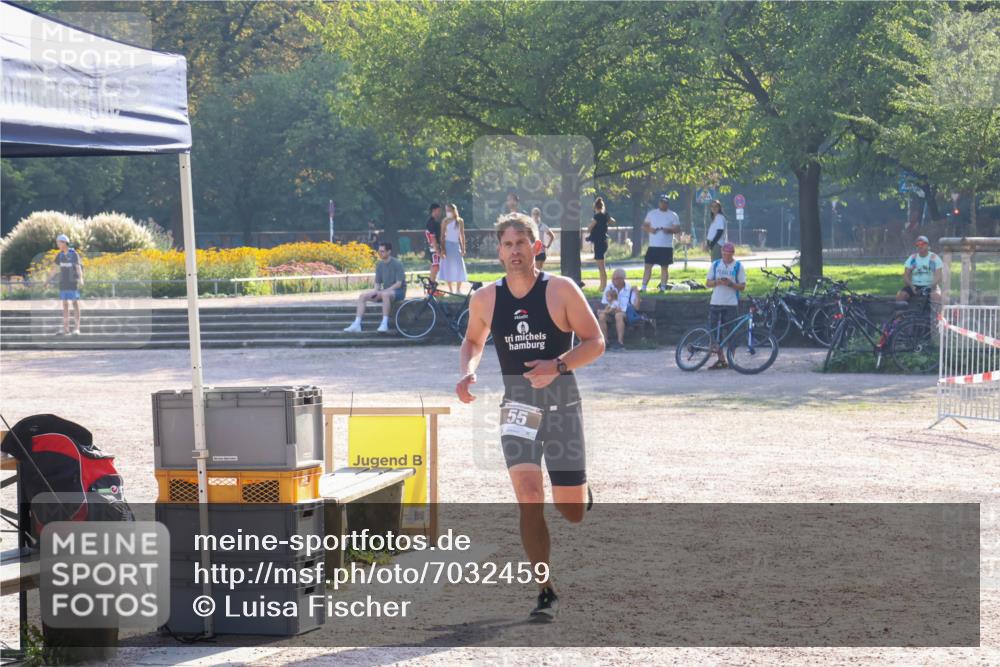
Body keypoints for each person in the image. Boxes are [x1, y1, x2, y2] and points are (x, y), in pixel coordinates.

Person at [456, 213, 605, 621]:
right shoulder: (486, 298)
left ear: (537, 246)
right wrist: (468, 371)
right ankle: (545, 589)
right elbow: (472, 340)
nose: (515, 251)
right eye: (507, 244)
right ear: (499, 250)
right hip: (517, 406)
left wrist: (556, 366)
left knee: (570, 511)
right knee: (527, 494)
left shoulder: (561, 290)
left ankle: (580, 490)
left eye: (522, 242)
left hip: (562, 405)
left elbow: (596, 342)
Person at [343, 242, 406, 333]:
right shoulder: (379, 264)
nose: (380, 253)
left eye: (383, 251)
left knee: (384, 294)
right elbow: (377, 283)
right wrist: (375, 291)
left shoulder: (397, 263)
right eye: (379, 251)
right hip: (384, 292)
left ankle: (384, 324)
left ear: (389, 252)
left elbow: (398, 284)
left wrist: (383, 291)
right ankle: (357, 324)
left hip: (398, 292)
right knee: (362, 296)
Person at [705, 242, 746, 370]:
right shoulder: (716, 264)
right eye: (724, 254)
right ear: (721, 253)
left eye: (729, 254)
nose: (726, 256)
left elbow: (742, 286)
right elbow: (707, 283)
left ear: (733, 254)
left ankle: (731, 359)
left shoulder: (738, 266)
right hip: (715, 302)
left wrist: (730, 284)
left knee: (732, 333)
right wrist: (717, 282)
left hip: (731, 303)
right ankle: (721, 359)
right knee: (715, 333)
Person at [641, 194, 682, 292]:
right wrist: (651, 229)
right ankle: (643, 288)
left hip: (666, 246)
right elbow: (644, 226)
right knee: (648, 266)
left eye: (666, 202)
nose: (664, 204)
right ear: (659, 202)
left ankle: (663, 288)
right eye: (662, 202)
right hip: (653, 246)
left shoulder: (673, 215)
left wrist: (668, 230)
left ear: (668, 204)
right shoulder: (652, 213)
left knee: (664, 267)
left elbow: (677, 229)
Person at [597, 268, 641, 351]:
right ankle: (605, 342)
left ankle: (620, 342)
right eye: (613, 278)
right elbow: (606, 303)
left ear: (623, 279)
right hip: (611, 311)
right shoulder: (609, 287)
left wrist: (637, 293)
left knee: (618, 315)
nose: (614, 280)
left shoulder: (630, 288)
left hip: (625, 313)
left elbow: (636, 307)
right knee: (602, 316)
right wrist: (612, 309)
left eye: (616, 278)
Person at [51, 234, 83, 335]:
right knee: (65, 305)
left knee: (75, 303)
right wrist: (47, 281)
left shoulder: (74, 254)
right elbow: (54, 269)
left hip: (73, 282)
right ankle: (66, 329)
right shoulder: (59, 255)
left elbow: (78, 268)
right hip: (63, 283)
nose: (57, 244)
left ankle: (77, 328)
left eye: (59, 242)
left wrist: (81, 279)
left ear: (64, 243)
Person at [896, 235, 943, 305]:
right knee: (900, 296)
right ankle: (900, 316)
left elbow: (939, 275)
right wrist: (911, 286)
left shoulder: (934, 258)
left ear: (927, 245)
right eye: (917, 245)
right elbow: (906, 275)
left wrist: (931, 286)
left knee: (937, 297)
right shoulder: (912, 258)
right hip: (915, 286)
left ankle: (937, 316)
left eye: (922, 244)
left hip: (931, 285)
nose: (920, 246)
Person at [438, 203, 468, 293]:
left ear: (454, 210)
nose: (448, 212)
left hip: (456, 246)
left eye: (449, 210)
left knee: (459, 267)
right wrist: (442, 249)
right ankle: (450, 290)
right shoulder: (445, 221)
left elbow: (462, 235)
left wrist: (463, 248)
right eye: (446, 210)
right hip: (447, 245)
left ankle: (458, 289)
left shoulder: (460, 221)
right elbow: (442, 235)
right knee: (448, 267)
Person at [586, 197, 613, 292]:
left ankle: (603, 286)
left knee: (601, 267)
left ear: (595, 207)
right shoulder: (605, 215)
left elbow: (589, 228)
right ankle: (602, 285)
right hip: (604, 242)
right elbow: (612, 221)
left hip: (599, 243)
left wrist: (590, 226)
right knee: (602, 266)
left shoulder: (597, 216)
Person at [424, 203, 443, 284]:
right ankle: (431, 287)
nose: (440, 213)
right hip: (434, 247)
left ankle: (432, 284)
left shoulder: (434, 222)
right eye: (438, 211)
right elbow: (432, 237)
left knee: (436, 266)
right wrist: (437, 250)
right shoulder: (432, 222)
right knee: (435, 266)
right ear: (434, 210)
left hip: (435, 247)